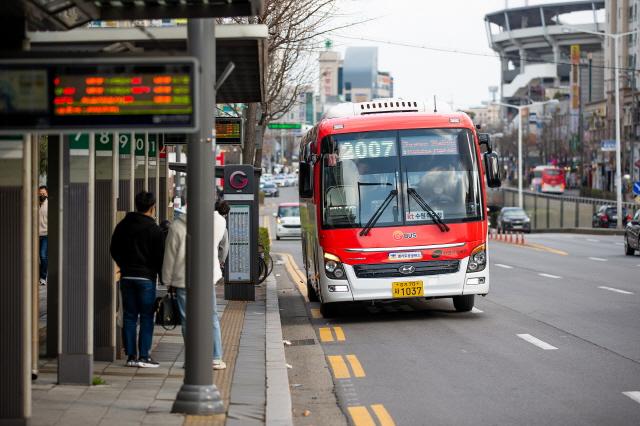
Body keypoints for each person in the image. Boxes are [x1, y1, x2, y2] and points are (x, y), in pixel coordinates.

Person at [162, 204, 227, 370]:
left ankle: (193, 359)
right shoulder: (217, 222)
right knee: (211, 317)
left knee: (187, 321)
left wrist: (167, 280)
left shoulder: (176, 226)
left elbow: (170, 255)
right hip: (206, 278)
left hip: (184, 279)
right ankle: (216, 357)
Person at [110, 192, 164, 368]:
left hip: (127, 276)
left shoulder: (123, 225)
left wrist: (123, 265)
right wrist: (158, 273)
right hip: (146, 278)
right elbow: (160, 255)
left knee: (129, 316)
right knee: (147, 316)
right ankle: (144, 356)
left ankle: (131, 356)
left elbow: (114, 248)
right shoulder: (154, 229)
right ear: (152, 207)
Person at [38, 186, 48, 286]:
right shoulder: (35, 204)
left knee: (43, 256)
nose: (42, 195)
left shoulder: (49, 205)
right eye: (40, 193)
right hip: (35, 235)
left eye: (43, 193)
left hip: (45, 235)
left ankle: (43, 277)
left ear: (47, 194)